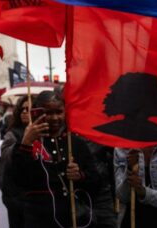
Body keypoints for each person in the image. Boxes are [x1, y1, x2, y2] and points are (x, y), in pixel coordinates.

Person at [9, 89, 99, 227]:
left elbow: (96, 181)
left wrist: (80, 176)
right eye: (49, 113)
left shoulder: (76, 142)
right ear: (38, 112)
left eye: (59, 112)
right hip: (38, 220)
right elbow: (15, 181)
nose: (55, 118)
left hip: (73, 220)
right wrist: (26, 143)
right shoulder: (26, 143)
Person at [0, 96, 30, 228]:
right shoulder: (12, 134)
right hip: (17, 198)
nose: (24, 112)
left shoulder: (46, 133)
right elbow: (7, 157)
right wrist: (25, 141)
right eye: (22, 109)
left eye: (28, 109)